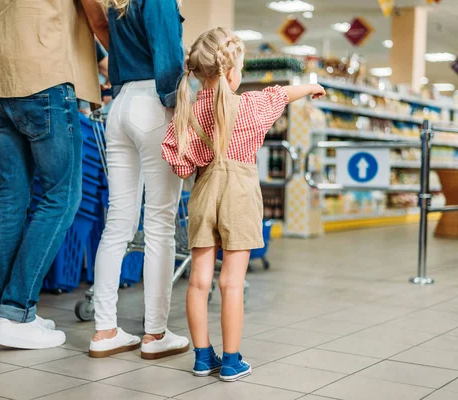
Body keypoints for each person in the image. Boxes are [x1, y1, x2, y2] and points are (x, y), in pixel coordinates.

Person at [161, 27, 326, 381]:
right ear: (233, 73)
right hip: (240, 194)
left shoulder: (187, 111)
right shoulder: (250, 106)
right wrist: (311, 87)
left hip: (203, 192)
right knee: (231, 283)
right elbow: (280, 95)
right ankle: (232, 361)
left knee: (198, 282)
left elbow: (180, 164)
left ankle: (203, 357)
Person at [0, 0, 107, 350]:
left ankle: (13, 311)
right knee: (63, 196)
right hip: (44, 77)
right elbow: (96, 15)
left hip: (0, 81)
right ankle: (17, 310)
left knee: (12, 197)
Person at [88, 0, 189, 360]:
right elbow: (168, 57)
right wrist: (178, 109)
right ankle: (155, 334)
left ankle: (105, 330)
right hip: (154, 103)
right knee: (160, 223)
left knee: (118, 222)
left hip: (120, 105)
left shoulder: (119, 3)